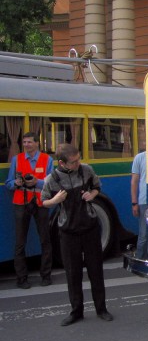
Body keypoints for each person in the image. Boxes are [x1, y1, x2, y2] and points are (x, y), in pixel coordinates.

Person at [41, 144, 113, 326]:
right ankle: (76, 311)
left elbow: (97, 187)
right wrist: (55, 200)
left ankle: (101, 308)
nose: (78, 163)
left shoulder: (86, 170)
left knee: (95, 270)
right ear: (62, 163)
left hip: (89, 228)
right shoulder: (52, 179)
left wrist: (92, 195)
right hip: (68, 231)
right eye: (74, 162)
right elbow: (44, 202)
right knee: (72, 273)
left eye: (78, 159)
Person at [5, 132, 54, 289]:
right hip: (21, 202)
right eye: (24, 142)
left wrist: (37, 182)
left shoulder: (47, 160)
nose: (26, 145)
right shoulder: (16, 159)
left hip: (41, 202)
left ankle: (46, 275)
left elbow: (51, 183)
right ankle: (21, 278)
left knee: (45, 240)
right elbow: (8, 183)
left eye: (29, 142)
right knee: (20, 242)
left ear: (36, 143)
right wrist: (17, 183)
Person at [131, 150, 148, 259]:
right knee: (144, 234)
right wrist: (134, 203)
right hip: (144, 200)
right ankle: (140, 258)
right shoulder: (140, 158)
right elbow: (134, 181)